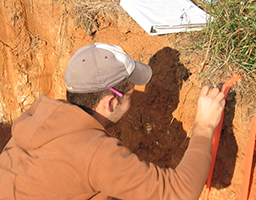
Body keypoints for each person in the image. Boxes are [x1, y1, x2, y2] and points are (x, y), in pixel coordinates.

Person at [0, 43, 225, 200]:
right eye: (130, 93)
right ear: (110, 103)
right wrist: (204, 126)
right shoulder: (95, 154)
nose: (134, 98)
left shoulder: (41, 114)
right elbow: (180, 192)